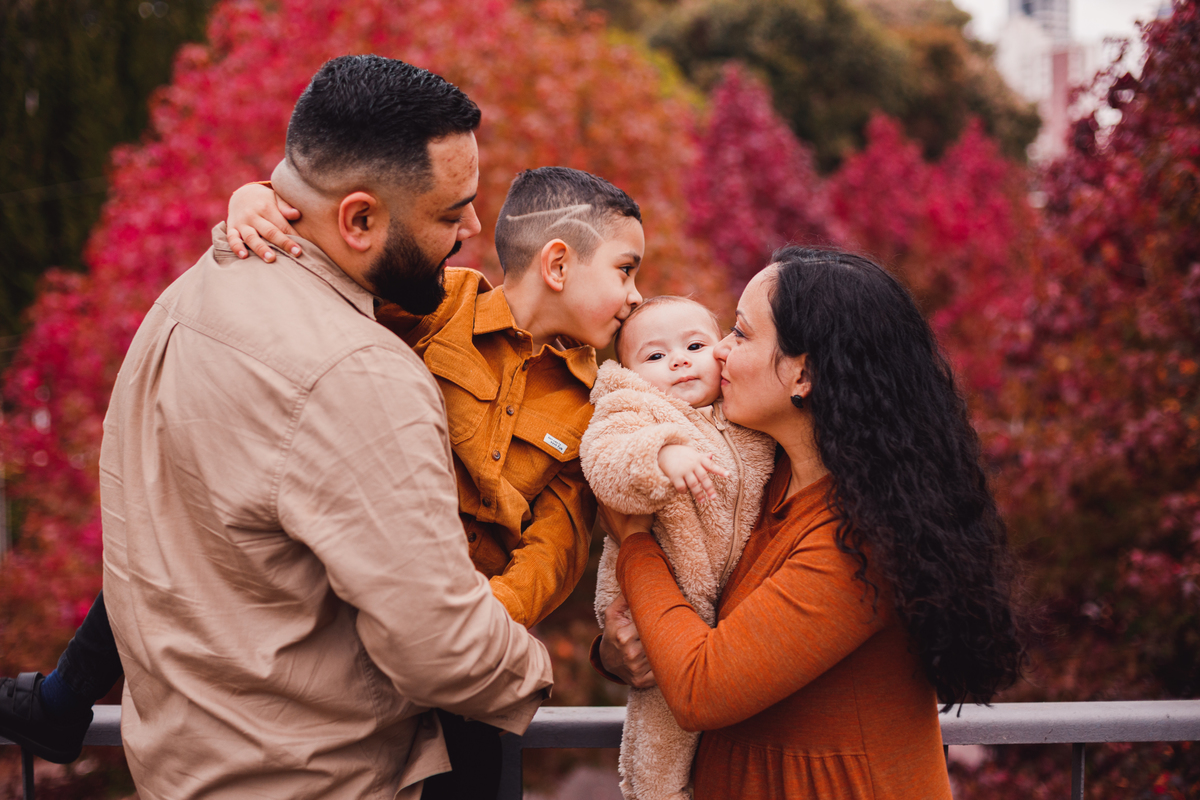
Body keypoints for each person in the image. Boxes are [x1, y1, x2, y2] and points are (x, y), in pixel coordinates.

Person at [6, 54, 559, 800]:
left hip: (180, 771)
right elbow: (441, 647)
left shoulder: (186, 297)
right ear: (359, 220)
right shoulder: (359, 372)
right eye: (448, 212)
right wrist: (531, 669)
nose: (473, 228)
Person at [597, 247, 1026, 800]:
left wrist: (633, 541)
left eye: (741, 334)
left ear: (803, 374)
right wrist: (616, 653)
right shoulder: (757, 476)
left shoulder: (861, 539)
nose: (719, 350)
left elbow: (701, 687)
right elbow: (690, 607)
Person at [580, 296, 775, 800]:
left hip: (735, 613)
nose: (679, 362)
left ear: (722, 351)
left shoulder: (748, 415)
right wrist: (660, 453)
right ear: (628, 372)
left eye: (694, 346)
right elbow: (602, 458)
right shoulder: (634, 408)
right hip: (659, 604)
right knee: (661, 737)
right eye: (655, 355)